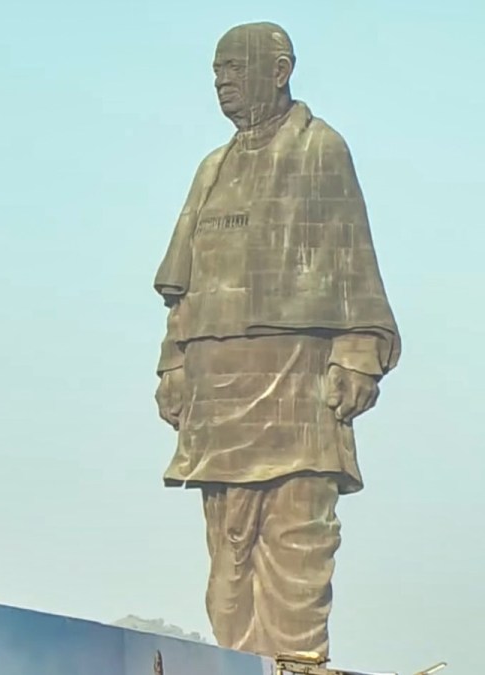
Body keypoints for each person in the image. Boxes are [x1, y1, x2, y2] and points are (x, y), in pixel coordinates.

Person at [151, 22, 401, 658]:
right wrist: (172, 366)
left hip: (296, 382)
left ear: (281, 68)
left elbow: (354, 261)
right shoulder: (212, 168)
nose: (223, 84)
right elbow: (182, 288)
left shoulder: (321, 149)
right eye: (216, 73)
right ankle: (242, 668)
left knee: (296, 549)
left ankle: (296, 668)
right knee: (228, 569)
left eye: (234, 69)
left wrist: (357, 354)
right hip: (217, 396)